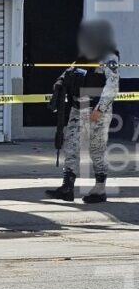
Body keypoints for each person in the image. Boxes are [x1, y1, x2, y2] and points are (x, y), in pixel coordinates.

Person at [45, 19, 120, 204]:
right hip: (78, 109)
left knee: (96, 150)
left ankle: (100, 189)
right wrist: (60, 83)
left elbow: (112, 84)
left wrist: (100, 109)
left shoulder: (109, 57)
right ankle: (67, 187)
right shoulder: (84, 55)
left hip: (97, 112)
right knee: (71, 146)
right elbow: (69, 71)